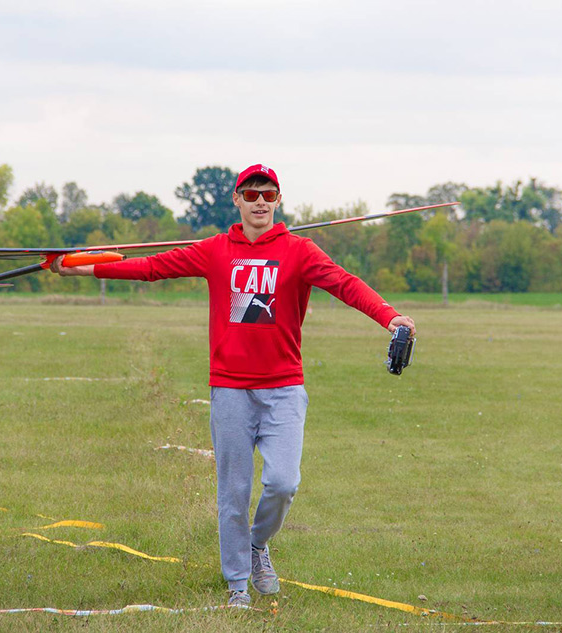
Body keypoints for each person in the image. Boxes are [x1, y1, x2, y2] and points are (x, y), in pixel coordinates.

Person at [50, 164, 416, 607]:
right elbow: (151, 267)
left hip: (284, 389)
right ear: (237, 200)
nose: (260, 201)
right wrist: (81, 268)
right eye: (252, 193)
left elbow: (345, 284)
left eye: (269, 194)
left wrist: (389, 316)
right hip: (230, 391)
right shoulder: (214, 250)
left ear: (278, 200)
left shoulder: (299, 251)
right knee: (233, 493)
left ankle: (257, 544)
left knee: (283, 483)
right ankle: (238, 583)